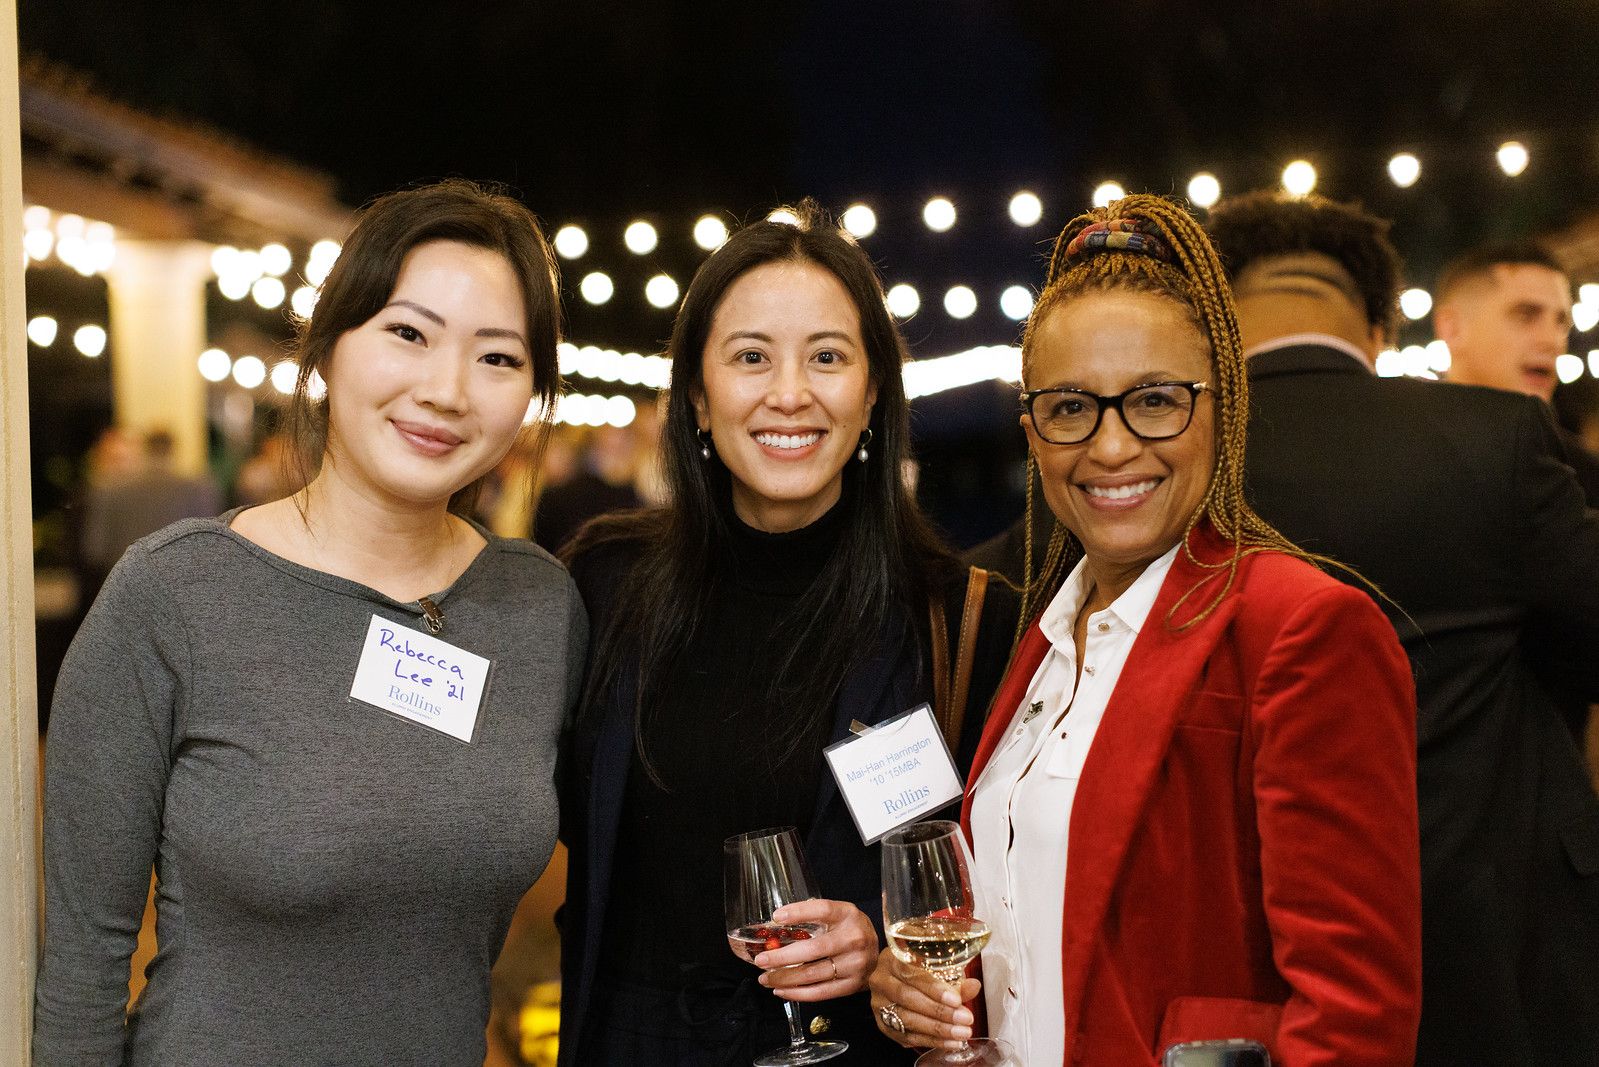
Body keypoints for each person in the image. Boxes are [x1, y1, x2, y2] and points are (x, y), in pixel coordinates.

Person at [34, 179, 587, 1066]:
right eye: (408, 333)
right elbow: (82, 966)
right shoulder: (175, 595)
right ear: (329, 348)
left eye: (498, 357)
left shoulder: (537, 605)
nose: (447, 390)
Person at [868, 194, 1422, 1066]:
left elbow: (1355, 1015)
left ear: (1219, 410)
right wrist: (919, 1000)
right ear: (1032, 431)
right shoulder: (1039, 639)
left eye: (1155, 399)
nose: (1112, 445)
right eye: (1070, 407)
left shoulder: (1299, 629)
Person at [558, 202, 1016, 1065]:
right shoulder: (604, 584)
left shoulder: (960, 616)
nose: (789, 393)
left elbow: (1011, 902)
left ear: (874, 391)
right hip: (635, 1045)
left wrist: (884, 951)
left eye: (828, 357)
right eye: (750, 357)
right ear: (697, 393)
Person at [1206, 191, 1599, 1065]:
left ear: (1216, 325)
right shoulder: (1495, 439)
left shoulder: (1164, 460)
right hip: (1492, 939)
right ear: (1380, 330)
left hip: (1247, 947)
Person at [1433, 240, 1599, 499]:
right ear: (1452, 328)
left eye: (1561, 322)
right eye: (1526, 315)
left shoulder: (1582, 475)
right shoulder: (1398, 454)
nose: (1553, 341)